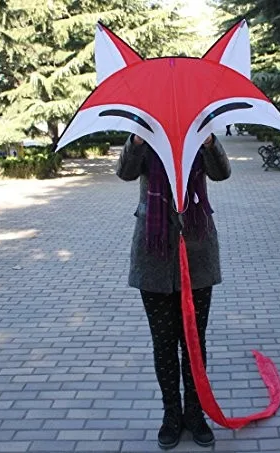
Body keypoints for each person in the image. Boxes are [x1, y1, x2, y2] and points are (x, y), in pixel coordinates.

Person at [116, 133, 231, 450]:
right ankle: (171, 414)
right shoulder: (145, 133)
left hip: (197, 252)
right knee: (164, 341)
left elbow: (222, 173)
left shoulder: (199, 132)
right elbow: (125, 172)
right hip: (153, 253)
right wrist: (135, 142)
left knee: (194, 340)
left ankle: (195, 414)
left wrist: (210, 143)